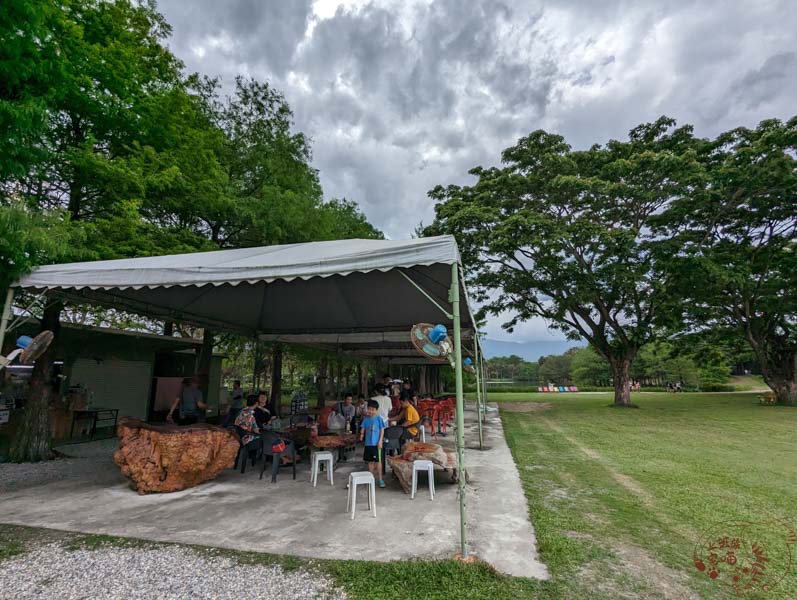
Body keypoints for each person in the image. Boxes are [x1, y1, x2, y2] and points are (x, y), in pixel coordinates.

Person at [359, 399, 386, 488]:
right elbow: (363, 427)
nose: (371, 411)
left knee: (378, 462)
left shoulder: (379, 419)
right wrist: (361, 435)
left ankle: (380, 479)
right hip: (368, 444)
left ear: (376, 410)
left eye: (373, 410)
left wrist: (380, 441)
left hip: (376, 444)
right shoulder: (366, 419)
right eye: (369, 409)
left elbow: (382, 431)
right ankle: (371, 478)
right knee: (370, 462)